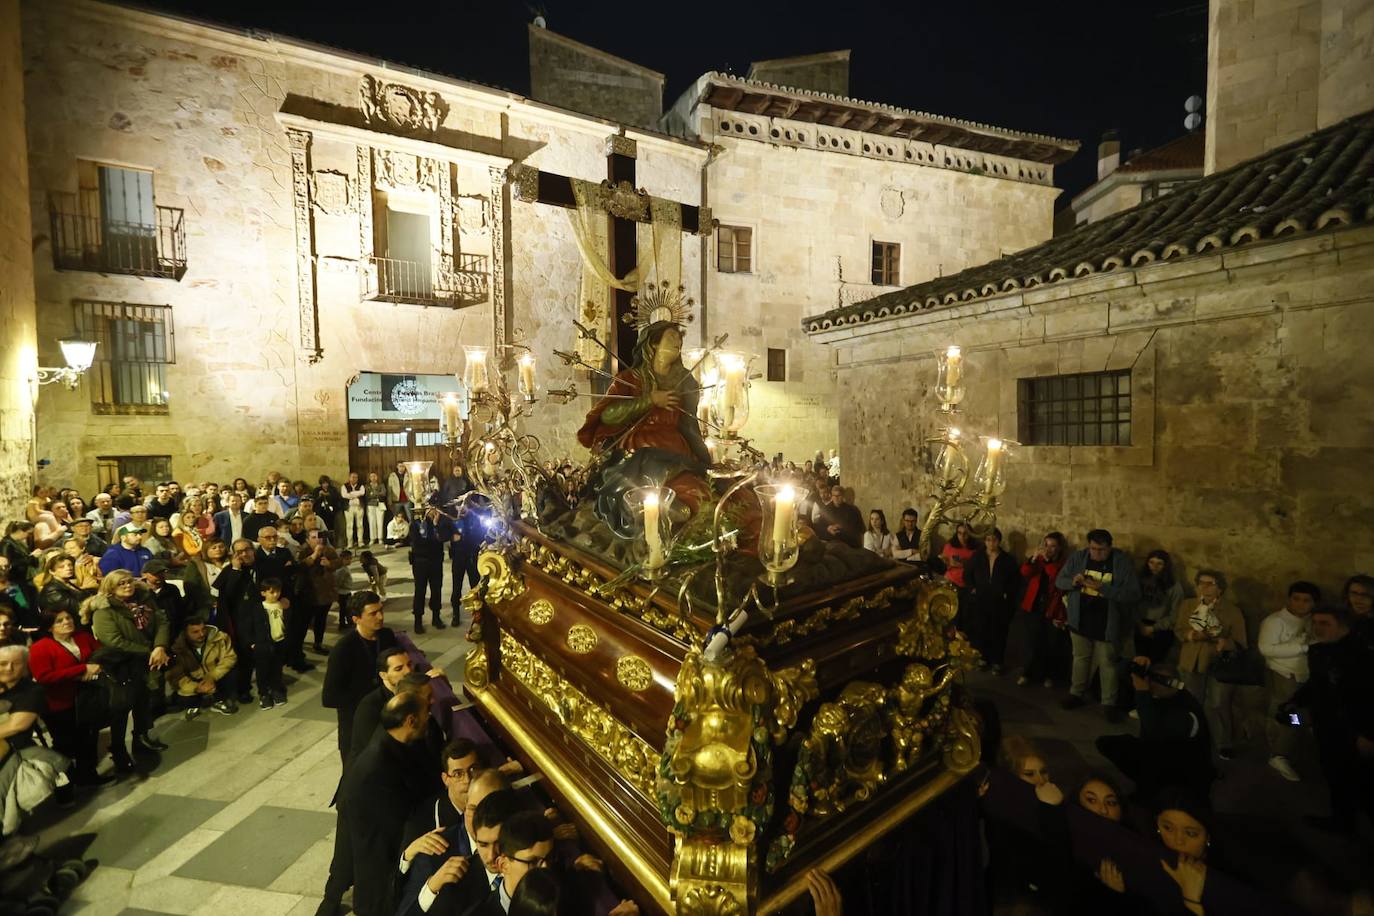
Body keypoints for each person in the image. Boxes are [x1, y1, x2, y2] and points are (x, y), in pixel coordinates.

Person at [324, 691, 434, 916]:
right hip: (381, 864)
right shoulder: (378, 767)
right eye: (426, 713)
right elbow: (397, 821)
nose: (430, 717)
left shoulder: (394, 744)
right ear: (410, 721)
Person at [1285, 605, 1374, 835]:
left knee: (1364, 782)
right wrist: (1295, 702)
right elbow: (1317, 685)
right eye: (1315, 623)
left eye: (1325, 623)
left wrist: (1368, 734)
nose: (1317, 628)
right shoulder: (1318, 652)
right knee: (1334, 775)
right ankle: (1343, 822)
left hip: (1355, 731)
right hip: (1326, 726)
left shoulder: (1362, 655)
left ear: (1342, 626)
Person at [1096, 657, 1214, 803]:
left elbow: (1154, 730)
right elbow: (1121, 670)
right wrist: (1134, 664)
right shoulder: (1161, 695)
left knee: (1149, 760)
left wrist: (1142, 693)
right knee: (1108, 744)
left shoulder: (1186, 712)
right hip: (1161, 753)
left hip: (1182, 772)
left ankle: (1153, 793)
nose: (1148, 686)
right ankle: (1148, 787)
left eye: (1151, 683)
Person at [1057, 529, 1140, 723]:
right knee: (1080, 658)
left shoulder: (1120, 562)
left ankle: (1108, 703)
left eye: (1101, 550)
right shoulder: (1079, 557)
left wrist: (1103, 588)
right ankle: (1076, 693)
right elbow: (1061, 581)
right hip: (1080, 618)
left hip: (1107, 622)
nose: (1096, 554)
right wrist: (1074, 582)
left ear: (1110, 547)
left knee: (1107, 663)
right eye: (1093, 548)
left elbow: (1132, 594)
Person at [88, 570, 171, 763]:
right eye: (121, 584)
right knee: (121, 708)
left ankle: (141, 738)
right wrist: (149, 650)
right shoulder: (104, 611)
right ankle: (118, 749)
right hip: (121, 665)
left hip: (147, 660)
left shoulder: (144, 600)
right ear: (110, 588)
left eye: (129, 582)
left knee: (144, 702)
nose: (127, 586)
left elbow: (162, 622)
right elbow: (114, 641)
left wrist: (159, 646)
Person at [27, 610, 111, 786]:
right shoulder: (40, 647)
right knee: (66, 743)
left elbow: (101, 653)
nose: (67, 622)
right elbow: (44, 677)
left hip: (86, 697)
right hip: (59, 703)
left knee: (88, 737)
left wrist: (96, 666)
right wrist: (81, 670)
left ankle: (88, 775)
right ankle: (64, 780)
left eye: (68, 618)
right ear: (50, 627)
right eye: (60, 620)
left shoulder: (82, 636)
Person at [1174, 569, 1248, 760]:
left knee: (1218, 703)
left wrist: (1226, 643)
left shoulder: (1232, 611)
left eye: (1210, 584)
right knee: (1192, 701)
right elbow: (1179, 629)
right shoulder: (1188, 605)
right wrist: (1191, 635)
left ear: (1220, 589)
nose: (1204, 588)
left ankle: (1223, 742)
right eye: (1201, 583)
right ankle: (1193, 738)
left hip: (1216, 662)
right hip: (1191, 660)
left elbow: (1240, 641)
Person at [322, 591, 397, 765]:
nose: (380, 616)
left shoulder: (386, 635)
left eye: (381, 610)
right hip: (357, 726)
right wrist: (370, 699)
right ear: (356, 619)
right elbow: (329, 697)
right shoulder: (343, 649)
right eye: (373, 613)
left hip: (386, 720)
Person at [1257, 582, 1315, 782]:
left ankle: (1288, 746)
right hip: (1284, 677)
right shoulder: (1274, 621)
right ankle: (1278, 754)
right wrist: (1302, 646)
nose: (1300, 604)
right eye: (1296, 599)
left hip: (1305, 678)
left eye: (1306, 600)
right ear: (1289, 599)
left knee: (1298, 715)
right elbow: (1267, 649)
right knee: (1288, 715)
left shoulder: (1312, 621)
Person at [1017, 532, 1068, 688]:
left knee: (1051, 644)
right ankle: (1027, 673)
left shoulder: (1064, 563)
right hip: (1033, 606)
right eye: (1046, 545)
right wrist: (1032, 560)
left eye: (1053, 546)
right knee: (1032, 643)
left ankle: (1049, 675)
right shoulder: (1038, 560)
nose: (1049, 549)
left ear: (1059, 548)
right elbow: (1024, 572)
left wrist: (1047, 562)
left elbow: (1057, 579)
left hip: (1052, 608)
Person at [164, 616, 239, 718]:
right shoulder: (177, 649)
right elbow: (176, 676)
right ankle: (195, 704)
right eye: (195, 632)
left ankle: (219, 700)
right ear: (186, 633)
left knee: (233, 673)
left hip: (215, 675)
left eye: (203, 629)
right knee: (182, 695)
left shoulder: (220, 637)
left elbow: (229, 658)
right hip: (194, 680)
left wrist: (212, 676)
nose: (202, 634)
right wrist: (196, 688)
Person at [968, 528, 1020, 675]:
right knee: (982, 629)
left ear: (999, 541)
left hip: (998, 602)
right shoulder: (978, 557)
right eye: (988, 540)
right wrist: (972, 588)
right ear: (985, 541)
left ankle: (997, 661)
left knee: (998, 631)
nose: (991, 543)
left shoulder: (1007, 559)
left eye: (994, 540)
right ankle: (983, 658)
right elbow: (967, 573)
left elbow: (1014, 580)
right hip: (981, 600)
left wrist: (1007, 594)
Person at [241, 577, 290, 709]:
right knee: (262, 670)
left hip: (279, 641)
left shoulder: (282, 605)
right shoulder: (258, 608)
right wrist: (252, 643)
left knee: (277, 668)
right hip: (262, 644)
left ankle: (276, 690)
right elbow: (248, 626)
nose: (276, 594)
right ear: (263, 593)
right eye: (272, 592)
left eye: (278, 591)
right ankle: (264, 694)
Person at [409, 501, 454, 634]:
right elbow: (419, 541)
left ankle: (436, 617)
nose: (433, 512)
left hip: (435, 560)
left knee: (436, 589)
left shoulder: (441, 523)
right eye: (430, 509)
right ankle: (418, 620)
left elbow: (444, 537)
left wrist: (435, 527)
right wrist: (433, 531)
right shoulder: (416, 524)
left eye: (435, 509)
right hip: (421, 561)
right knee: (420, 590)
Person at [295, 529, 338, 665]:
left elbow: (339, 562)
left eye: (319, 537)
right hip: (309, 593)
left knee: (321, 619)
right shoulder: (302, 550)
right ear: (308, 539)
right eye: (314, 537)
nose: (318, 540)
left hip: (325, 592)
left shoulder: (328, 550)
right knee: (304, 622)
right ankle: (298, 647)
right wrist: (314, 555)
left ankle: (318, 643)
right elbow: (299, 566)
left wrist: (330, 564)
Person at [1135, 550, 1183, 662]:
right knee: (1137, 662)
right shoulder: (1139, 582)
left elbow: (1175, 614)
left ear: (1165, 565)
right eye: (1151, 562)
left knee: (1153, 663)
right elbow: (1132, 606)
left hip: (1162, 629)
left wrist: (1154, 628)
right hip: (1139, 625)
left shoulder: (1174, 587)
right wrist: (1139, 624)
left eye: (1159, 563)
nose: (1154, 567)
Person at [182, 537, 228, 623]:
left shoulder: (231, 562)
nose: (218, 549)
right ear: (206, 550)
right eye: (214, 548)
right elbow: (190, 587)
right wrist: (211, 601)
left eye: (221, 547)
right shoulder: (196, 564)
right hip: (206, 606)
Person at [36, 552, 93, 620]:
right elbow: (77, 608)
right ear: (52, 571)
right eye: (61, 567)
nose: (68, 568)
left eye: (70, 565)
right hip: (67, 624)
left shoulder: (68, 583)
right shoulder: (52, 590)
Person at [816, 484, 864, 549]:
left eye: (838, 495)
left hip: (847, 543)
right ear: (831, 496)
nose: (836, 498)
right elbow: (819, 527)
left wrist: (842, 527)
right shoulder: (825, 510)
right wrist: (828, 528)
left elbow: (857, 528)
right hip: (830, 542)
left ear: (843, 496)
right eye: (834, 495)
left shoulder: (852, 510)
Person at [939, 522, 979, 590]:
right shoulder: (950, 546)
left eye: (965, 533)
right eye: (959, 533)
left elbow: (977, 568)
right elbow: (943, 564)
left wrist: (963, 563)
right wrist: (947, 562)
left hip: (967, 582)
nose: (962, 536)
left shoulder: (975, 549)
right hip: (951, 579)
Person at [342, 472, 366, 550]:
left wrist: (351, 494)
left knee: (360, 525)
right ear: (349, 478)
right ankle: (350, 543)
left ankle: (360, 542)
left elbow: (362, 492)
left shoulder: (361, 486)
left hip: (359, 507)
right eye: (352, 477)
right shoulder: (344, 486)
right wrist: (356, 494)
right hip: (349, 508)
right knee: (349, 525)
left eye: (356, 477)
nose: (354, 479)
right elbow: (344, 495)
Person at [333, 549, 354, 633]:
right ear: (342, 559)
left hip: (345, 591)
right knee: (345, 609)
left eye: (350, 559)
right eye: (347, 559)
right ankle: (344, 623)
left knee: (345, 608)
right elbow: (338, 581)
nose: (349, 561)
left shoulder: (344, 568)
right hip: (343, 592)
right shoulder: (342, 570)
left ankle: (347, 622)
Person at [364, 472, 386, 546]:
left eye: (375, 476)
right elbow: (367, 495)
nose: (373, 478)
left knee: (380, 522)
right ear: (369, 478)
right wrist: (377, 494)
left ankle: (380, 538)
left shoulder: (381, 485)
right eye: (371, 476)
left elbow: (383, 493)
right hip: (370, 505)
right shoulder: (367, 486)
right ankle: (372, 538)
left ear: (377, 477)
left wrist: (373, 493)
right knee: (372, 522)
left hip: (380, 504)